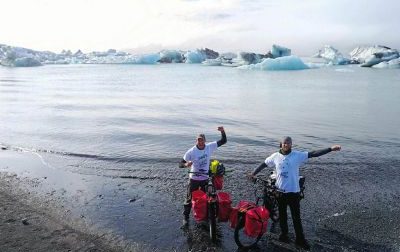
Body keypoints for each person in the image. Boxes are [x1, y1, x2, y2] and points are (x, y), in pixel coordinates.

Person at [249, 136, 341, 250]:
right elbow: (264, 164)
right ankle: (284, 235)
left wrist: (330, 149)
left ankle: (300, 239)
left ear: (291, 144)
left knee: (296, 217)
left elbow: (313, 153)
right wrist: (253, 173)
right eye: (284, 143)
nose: (286, 144)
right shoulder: (275, 156)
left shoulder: (297, 155)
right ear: (280, 144)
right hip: (280, 192)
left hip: (294, 192)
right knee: (282, 216)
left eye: (288, 143)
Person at [179, 126, 227, 226]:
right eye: (198, 140)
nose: (200, 142)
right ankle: (185, 218)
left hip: (205, 177)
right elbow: (180, 164)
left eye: (202, 140)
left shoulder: (209, 147)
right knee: (189, 198)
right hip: (194, 178)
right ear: (196, 141)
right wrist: (186, 165)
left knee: (207, 197)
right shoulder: (191, 151)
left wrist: (222, 131)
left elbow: (223, 141)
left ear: (205, 141)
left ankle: (205, 216)